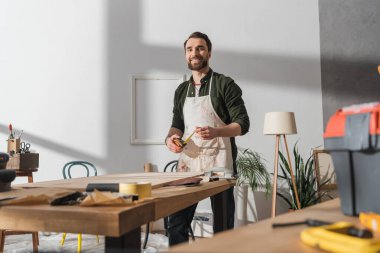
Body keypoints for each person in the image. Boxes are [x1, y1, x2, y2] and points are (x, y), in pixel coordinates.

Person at [165, 31, 250, 246]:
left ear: (209, 53)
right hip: (189, 163)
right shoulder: (181, 90)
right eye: (190, 49)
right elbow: (177, 124)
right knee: (176, 222)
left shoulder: (224, 84)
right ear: (185, 54)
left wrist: (216, 132)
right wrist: (171, 139)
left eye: (200, 48)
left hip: (219, 164)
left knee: (222, 227)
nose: (195, 53)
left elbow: (243, 124)